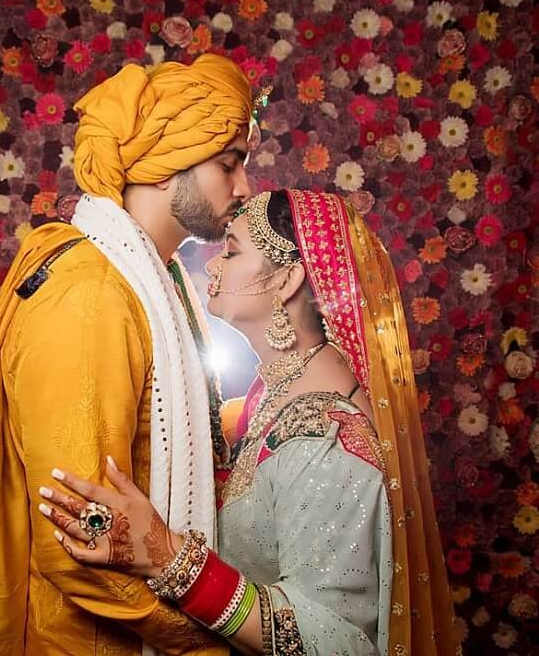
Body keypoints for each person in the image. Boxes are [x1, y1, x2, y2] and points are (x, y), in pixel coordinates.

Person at [37, 189, 460, 655]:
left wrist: (167, 557)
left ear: (287, 280)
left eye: (232, 251)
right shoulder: (271, 398)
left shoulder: (324, 439)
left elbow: (343, 643)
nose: (213, 267)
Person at [0, 54, 254, 655]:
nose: (244, 188)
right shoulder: (92, 293)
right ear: (165, 166)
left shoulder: (160, 283)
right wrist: (204, 641)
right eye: (229, 164)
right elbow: (78, 538)